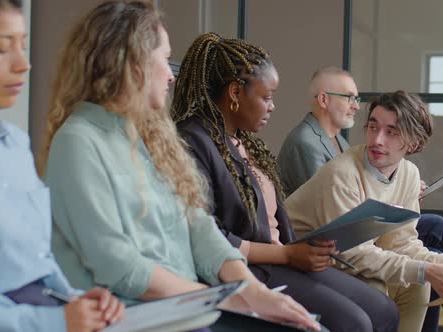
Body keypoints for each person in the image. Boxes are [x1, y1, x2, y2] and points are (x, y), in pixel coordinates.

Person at [38, 2, 319, 331]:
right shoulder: (78, 141)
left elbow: (201, 229)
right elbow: (118, 266)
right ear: (134, 64)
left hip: (185, 309)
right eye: (164, 59)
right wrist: (223, 296)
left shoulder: (152, 136)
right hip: (137, 317)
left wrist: (254, 292)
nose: (172, 74)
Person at [173, 33, 399, 332]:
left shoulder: (244, 142)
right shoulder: (192, 140)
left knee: (384, 310)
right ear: (235, 93)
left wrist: (301, 250)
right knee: (353, 323)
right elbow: (209, 237)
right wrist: (287, 254)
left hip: (281, 260)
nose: (272, 106)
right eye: (266, 97)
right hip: (246, 269)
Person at [285, 91, 443, 332]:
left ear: (413, 142)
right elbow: (351, 255)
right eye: (372, 127)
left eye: (391, 132)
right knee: (380, 285)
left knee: (417, 284)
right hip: (302, 262)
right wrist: (426, 270)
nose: (377, 139)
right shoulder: (342, 175)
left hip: (343, 258)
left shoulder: (409, 174)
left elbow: (400, 243)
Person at [0, 1, 125, 331]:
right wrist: (52, 321)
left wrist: (76, 299)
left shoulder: (16, 145)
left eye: (23, 44)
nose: (24, 64)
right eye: (1, 48)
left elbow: (35, 259)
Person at [277, 66, 359, 196]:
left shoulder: (341, 142)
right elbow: (324, 202)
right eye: (349, 97)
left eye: (356, 99)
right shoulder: (305, 143)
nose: (356, 106)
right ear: (323, 100)